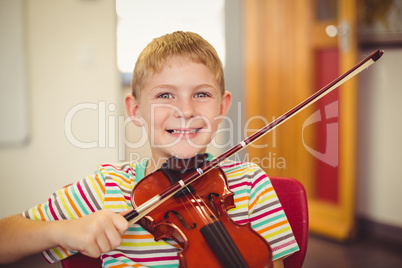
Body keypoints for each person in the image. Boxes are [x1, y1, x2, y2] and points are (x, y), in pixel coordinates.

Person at [0, 31, 299, 267]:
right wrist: (64, 231)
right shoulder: (109, 188)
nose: (185, 109)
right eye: (166, 94)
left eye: (202, 94)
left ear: (222, 107)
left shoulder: (249, 183)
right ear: (135, 110)